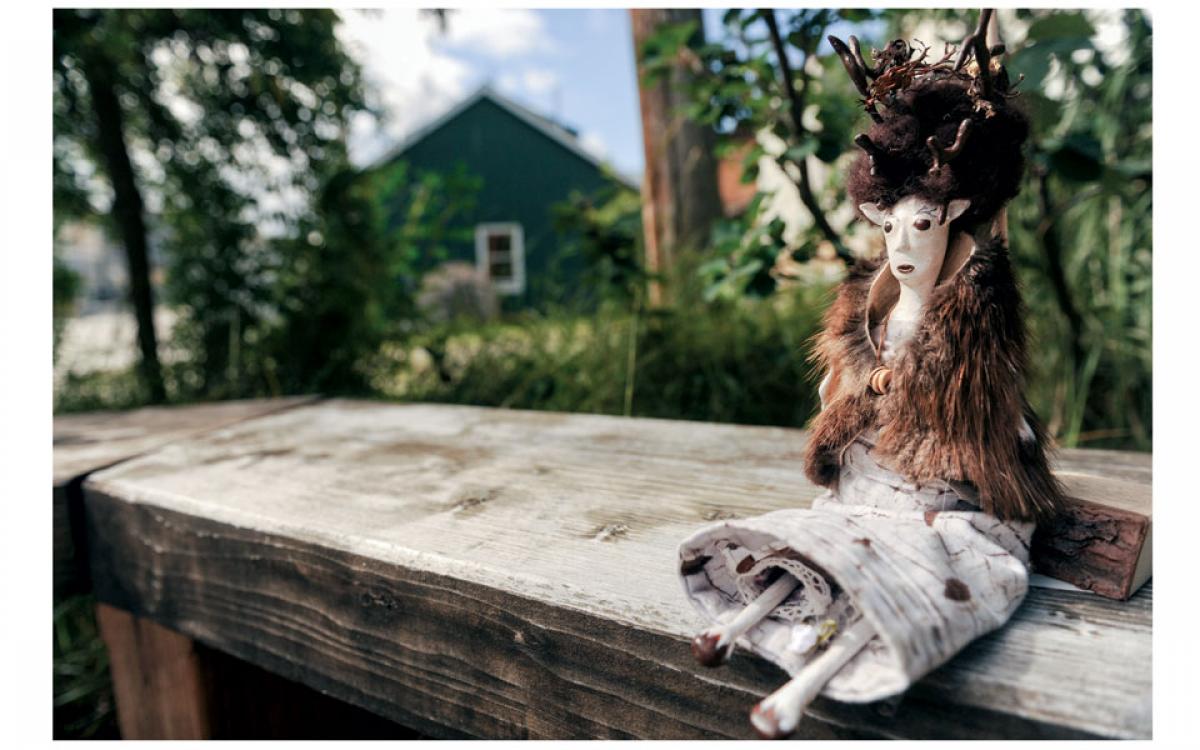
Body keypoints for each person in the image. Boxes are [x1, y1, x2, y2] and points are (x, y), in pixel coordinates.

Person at [677, 11, 1065, 738]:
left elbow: (980, 389)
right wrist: (858, 385)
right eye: (890, 226)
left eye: (922, 225)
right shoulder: (871, 310)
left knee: (925, 559)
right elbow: (851, 374)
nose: (904, 243)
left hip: (936, 483)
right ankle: (745, 628)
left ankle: (831, 662)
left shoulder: (975, 310)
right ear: (875, 218)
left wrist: (966, 409)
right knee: (812, 540)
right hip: (870, 472)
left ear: (951, 216)